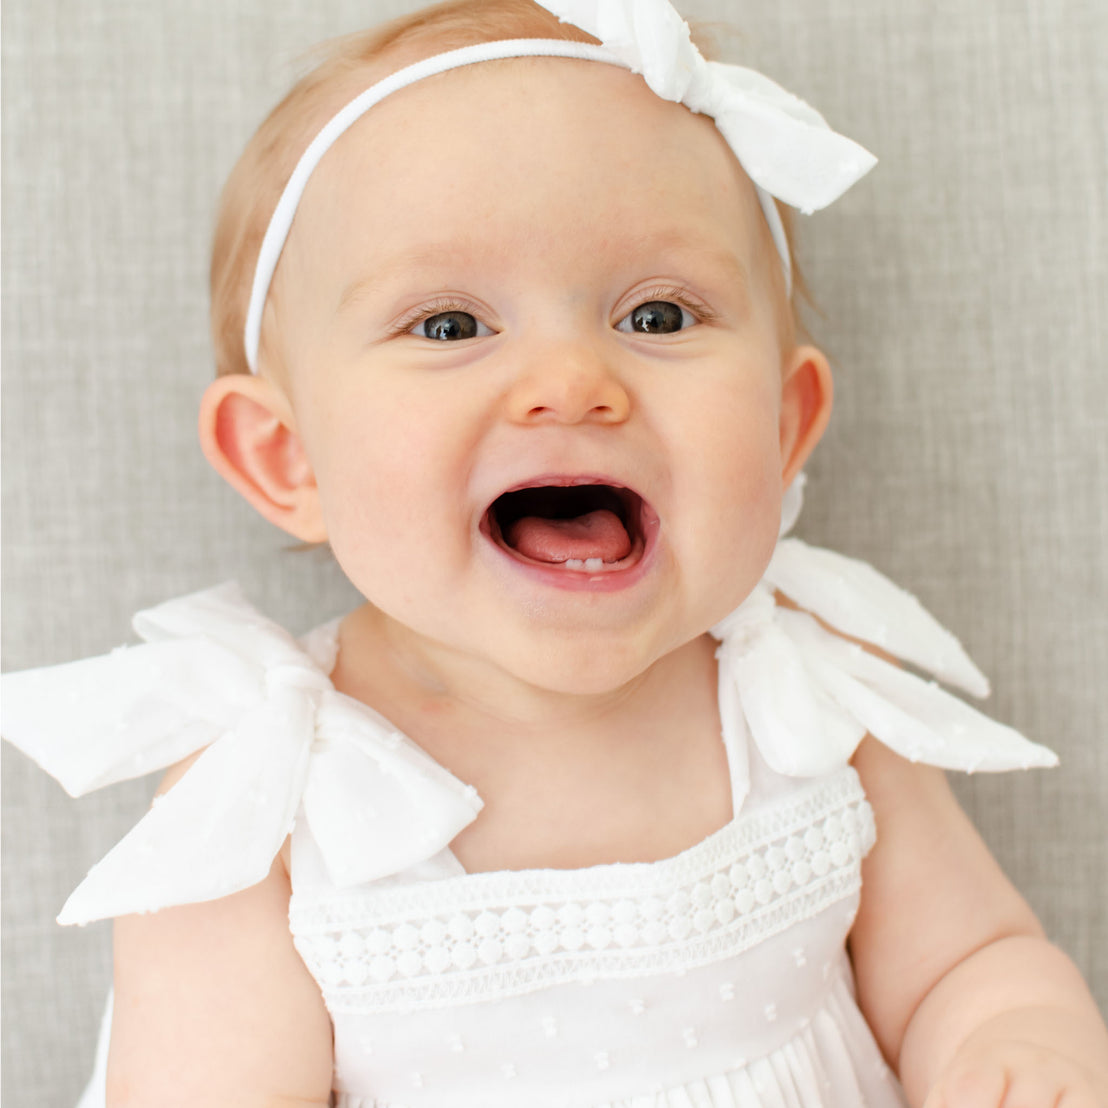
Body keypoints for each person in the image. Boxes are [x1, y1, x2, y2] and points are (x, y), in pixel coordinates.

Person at [3, 1, 1106, 1105]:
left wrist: (1011, 1042)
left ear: (780, 429)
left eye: (660, 315)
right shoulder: (269, 796)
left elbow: (970, 964)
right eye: (449, 326)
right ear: (289, 458)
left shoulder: (806, 700)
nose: (572, 379)